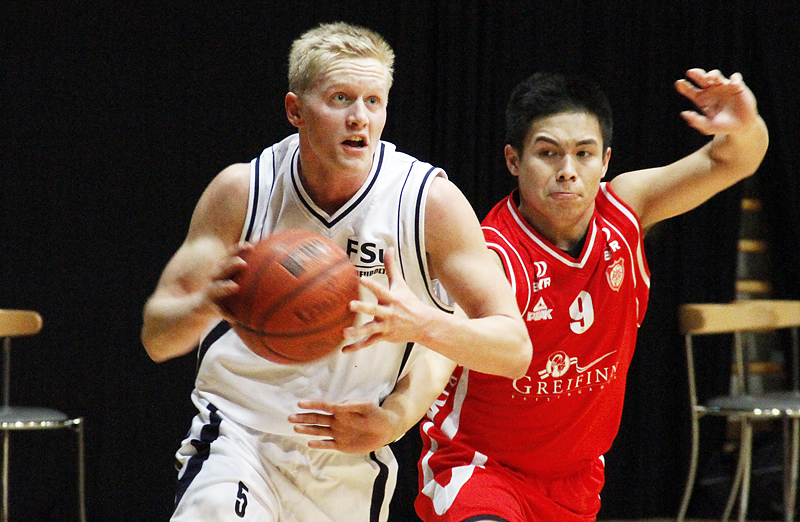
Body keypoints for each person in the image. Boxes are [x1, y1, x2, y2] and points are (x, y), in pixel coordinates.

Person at [140, 22, 531, 522]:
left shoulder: (427, 202)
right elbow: (156, 338)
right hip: (238, 436)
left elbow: (514, 351)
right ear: (295, 110)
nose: (359, 118)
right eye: (340, 98)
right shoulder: (244, 190)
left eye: (373, 101)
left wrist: (423, 327)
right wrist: (205, 305)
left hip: (348, 456)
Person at [415, 69, 769, 522]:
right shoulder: (491, 255)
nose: (567, 170)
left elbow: (731, 160)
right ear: (513, 160)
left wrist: (746, 126)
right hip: (479, 470)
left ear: (604, 162)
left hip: (576, 481)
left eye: (583, 154)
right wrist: (395, 416)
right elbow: (435, 361)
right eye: (548, 153)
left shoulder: (625, 209)